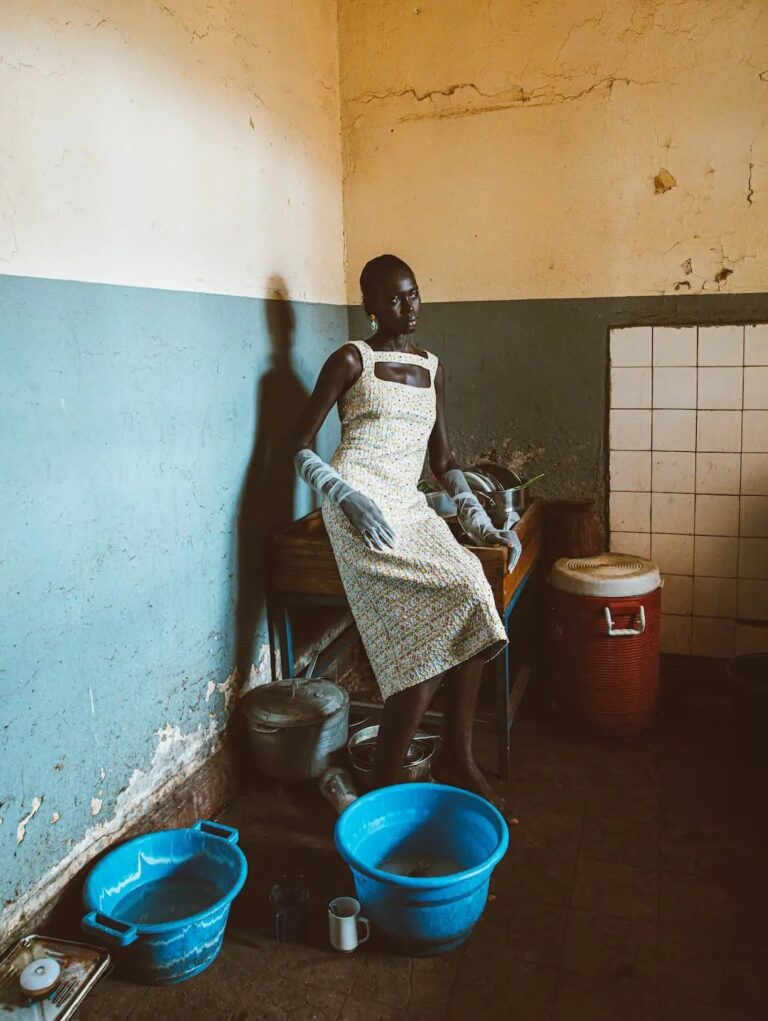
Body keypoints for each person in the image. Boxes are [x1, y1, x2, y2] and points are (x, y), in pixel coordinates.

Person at [290, 254, 521, 819]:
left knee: (474, 589)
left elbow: (443, 462)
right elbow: (298, 446)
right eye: (394, 299)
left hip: (409, 507)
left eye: (413, 294)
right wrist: (344, 496)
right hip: (360, 508)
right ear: (370, 306)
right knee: (428, 643)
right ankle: (386, 787)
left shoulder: (433, 367)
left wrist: (482, 523)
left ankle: (458, 756)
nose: (408, 306)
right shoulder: (352, 359)